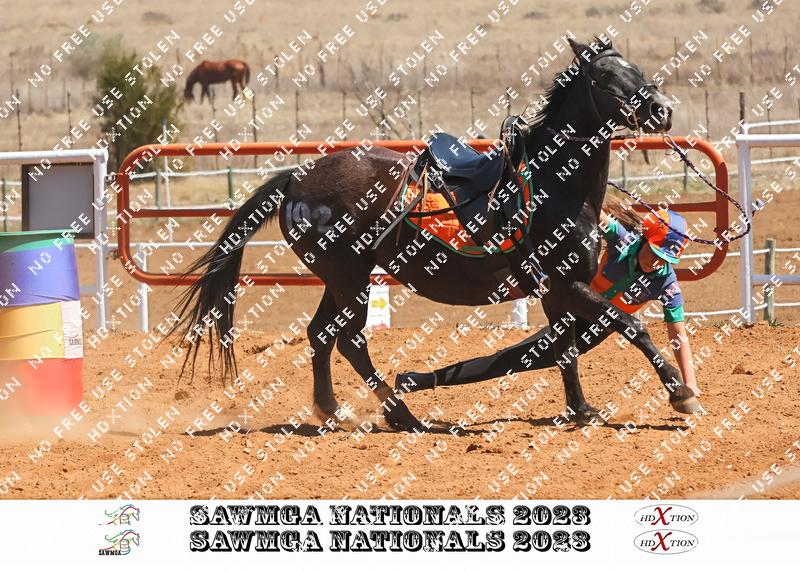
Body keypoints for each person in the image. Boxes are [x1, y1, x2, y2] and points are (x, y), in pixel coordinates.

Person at [396, 207, 701, 397]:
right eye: (654, 252)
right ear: (644, 239)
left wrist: (691, 384)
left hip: (595, 331)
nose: (655, 262)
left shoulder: (667, 284)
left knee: (513, 361)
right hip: (573, 305)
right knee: (508, 359)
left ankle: (422, 381)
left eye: (664, 258)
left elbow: (678, 336)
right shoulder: (622, 240)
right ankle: (427, 380)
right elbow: (595, 213)